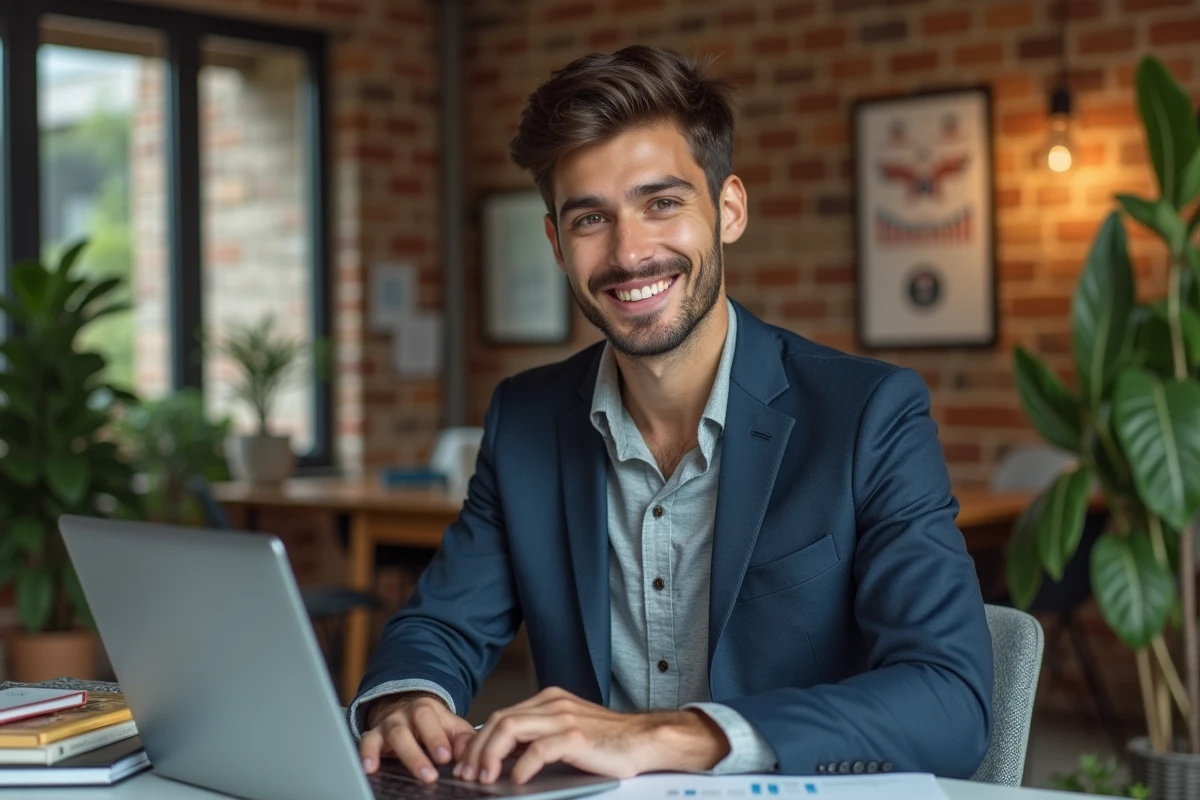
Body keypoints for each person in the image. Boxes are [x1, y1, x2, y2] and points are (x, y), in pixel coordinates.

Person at [351, 44, 992, 786]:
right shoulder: (524, 419)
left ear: (728, 210)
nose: (630, 253)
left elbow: (952, 701)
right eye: (592, 218)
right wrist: (408, 697)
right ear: (558, 244)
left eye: (662, 203)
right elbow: (440, 624)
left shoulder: (868, 415)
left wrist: (667, 736)